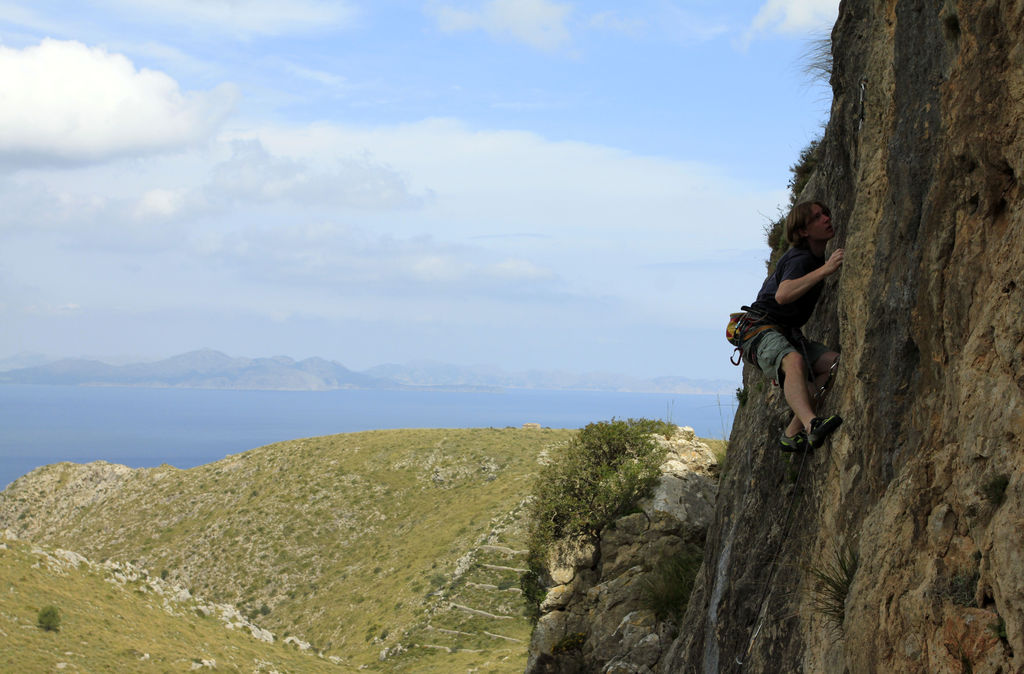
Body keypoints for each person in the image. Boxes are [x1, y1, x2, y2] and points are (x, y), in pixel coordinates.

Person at [743, 200, 844, 452]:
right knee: (793, 361)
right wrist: (827, 269)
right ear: (803, 232)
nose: (826, 218)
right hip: (760, 329)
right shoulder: (801, 258)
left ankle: (791, 434)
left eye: (826, 213)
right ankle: (812, 424)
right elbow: (782, 295)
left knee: (834, 364)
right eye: (817, 217)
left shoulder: (813, 257)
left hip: (784, 332)